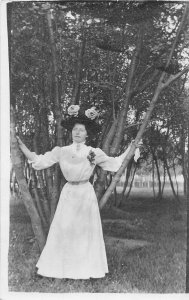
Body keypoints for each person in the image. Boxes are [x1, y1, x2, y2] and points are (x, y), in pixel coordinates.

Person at [17, 105, 141, 280]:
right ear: (71, 132)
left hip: (85, 194)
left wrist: (131, 148)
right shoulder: (61, 151)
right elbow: (40, 161)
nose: (77, 132)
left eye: (81, 130)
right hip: (68, 194)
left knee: (84, 231)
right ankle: (62, 269)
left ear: (87, 133)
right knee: (65, 228)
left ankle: (84, 269)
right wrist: (22, 147)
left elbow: (114, 163)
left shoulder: (92, 153)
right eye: (75, 129)